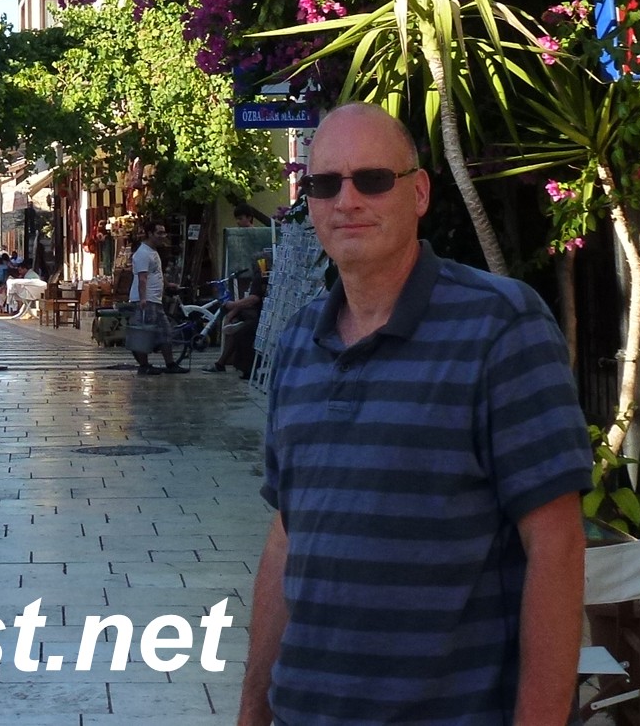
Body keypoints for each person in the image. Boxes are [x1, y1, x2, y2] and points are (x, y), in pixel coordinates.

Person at [237, 102, 591, 726]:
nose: (347, 201)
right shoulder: (298, 343)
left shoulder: (501, 327)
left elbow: (556, 545)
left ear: (419, 192)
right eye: (325, 184)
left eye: (373, 179)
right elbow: (288, 534)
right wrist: (251, 712)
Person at [126, 220, 184, 374]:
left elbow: (157, 272)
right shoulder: (142, 254)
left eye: (164, 232)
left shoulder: (153, 252)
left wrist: (167, 284)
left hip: (155, 299)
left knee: (165, 332)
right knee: (144, 333)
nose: (162, 236)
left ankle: (170, 364)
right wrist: (143, 299)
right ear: (150, 234)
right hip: (147, 300)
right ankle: (144, 366)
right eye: (159, 233)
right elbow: (142, 278)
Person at [204, 261, 268, 374]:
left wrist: (233, 306)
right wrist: (233, 311)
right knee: (235, 324)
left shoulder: (260, 278)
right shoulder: (259, 278)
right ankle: (221, 363)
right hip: (252, 313)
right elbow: (250, 300)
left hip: (257, 317)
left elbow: (253, 299)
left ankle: (222, 363)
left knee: (239, 330)